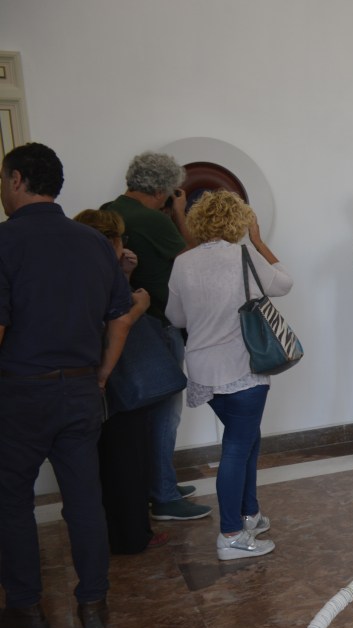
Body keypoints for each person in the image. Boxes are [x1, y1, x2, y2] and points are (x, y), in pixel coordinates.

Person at [0, 143, 140, 628]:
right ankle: (93, 604)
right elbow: (120, 316)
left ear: (17, 180)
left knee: (11, 501)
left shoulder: (4, 241)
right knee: (83, 499)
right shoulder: (94, 243)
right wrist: (101, 374)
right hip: (81, 388)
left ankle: (26, 609)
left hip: (19, 392)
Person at [166, 190, 291, 560]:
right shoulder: (243, 255)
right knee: (237, 445)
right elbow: (284, 283)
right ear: (240, 221)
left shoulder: (183, 262)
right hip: (242, 368)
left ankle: (250, 514)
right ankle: (231, 535)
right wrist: (259, 242)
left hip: (203, 370)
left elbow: (175, 317)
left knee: (247, 437)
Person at [103, 152, 211, 522]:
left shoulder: (109, 210)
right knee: (165, 414)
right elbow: (195, 262)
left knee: (141, 415)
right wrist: (179, 215)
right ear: (163, 190)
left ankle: (157, 483)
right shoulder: (152, 218)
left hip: (126, 325)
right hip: (158, 325)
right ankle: (163, 495)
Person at [75, 209, 164, 553]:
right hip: (116, 379)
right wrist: (141, 303)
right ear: (111, 240)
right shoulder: (100, 272)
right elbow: (120, 319)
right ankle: (132, 535)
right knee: (128, 459)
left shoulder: (76, 271)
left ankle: (107, 536)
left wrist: (124, 274)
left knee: (99, 462)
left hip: (81, 376)